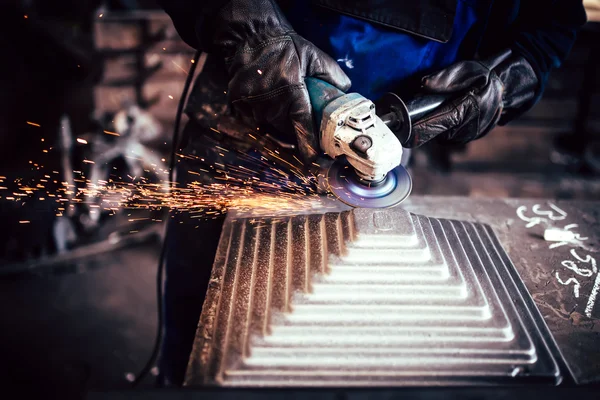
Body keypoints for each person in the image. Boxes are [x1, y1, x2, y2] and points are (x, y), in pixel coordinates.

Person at [157, 0, 587, 385]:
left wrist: (507, 80)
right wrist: (247, 25)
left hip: (392, 131)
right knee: (212, 337)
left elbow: (553, 21)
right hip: (247, 125)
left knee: (340, 337)